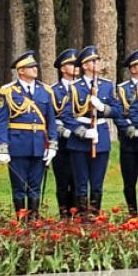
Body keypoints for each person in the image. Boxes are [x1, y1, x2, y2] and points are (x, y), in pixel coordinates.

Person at [0, 50, 53, 217]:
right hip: (18, 144)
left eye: (35, 66)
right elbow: (1, 121)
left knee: (35, 184)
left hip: (39, 144)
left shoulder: (45, 91)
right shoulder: (8, 91)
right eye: (30, 66)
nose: (35, 69)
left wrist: (52, 144)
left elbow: (51, 120)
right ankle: (20, 220)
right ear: (21, 71)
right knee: (19, 185)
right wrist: (2, 147)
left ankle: (34, 218)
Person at [72, 48, 116, 212]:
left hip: (101, 137)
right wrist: (83, 132)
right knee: (81, 183)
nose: (97, 64)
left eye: (97, 60)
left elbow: (117, 110)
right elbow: (67, 116)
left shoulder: (106, 85)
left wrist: (102, 107)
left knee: (97, 183)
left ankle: (95, 217)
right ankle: (82, 218)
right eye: (93, 61)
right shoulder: (75, 87)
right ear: (84, 65)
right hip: (80, 139)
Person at [48, 49, 83, 215]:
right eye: (71, 64)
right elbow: (49, 117)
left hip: (81, 138)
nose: (75, 67)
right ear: (62, 69)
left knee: (79, 179)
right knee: (63, 180)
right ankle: (64, 214)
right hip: (62, 141)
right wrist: (61, 130)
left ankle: (77, 214)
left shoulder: (84, 88)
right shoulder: (53, 90)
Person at [115, 49, 138, 211]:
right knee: (129, 181)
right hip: (129, 143)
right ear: (133, 69)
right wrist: (129, 129)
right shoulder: (123, 89)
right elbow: (118, 114)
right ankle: (132, 211)